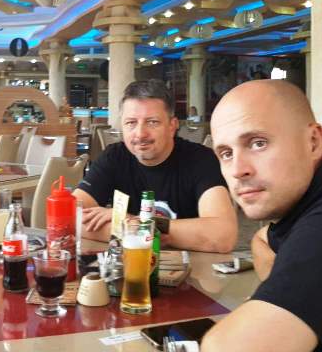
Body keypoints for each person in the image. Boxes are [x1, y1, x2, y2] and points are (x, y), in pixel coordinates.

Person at [202, 80, 322, 352]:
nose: (237, 170)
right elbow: (262, 239)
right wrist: (284, 290)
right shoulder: (308, 206)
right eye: (226, 153)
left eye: (258, 143)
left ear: (313, 142)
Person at [73, 79, 237, 253]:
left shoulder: (201, 160)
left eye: (152, 122)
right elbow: (70, 216)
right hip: (130, 263)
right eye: (131, 122)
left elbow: (222, 236)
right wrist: (151, 231)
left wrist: (134, 223)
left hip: (192, 266)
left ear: (172, 126)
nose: (140, 134)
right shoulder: (114, 157)